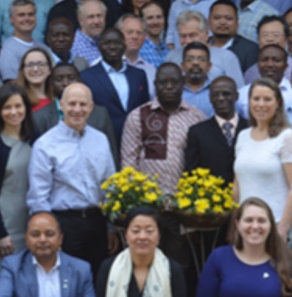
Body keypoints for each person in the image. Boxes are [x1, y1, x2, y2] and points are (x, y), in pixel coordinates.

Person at [28, 83, 117, 271]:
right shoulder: (45, 144)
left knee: (97, 279)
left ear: (91, 107)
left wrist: (111, 228)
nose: (77, 110)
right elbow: (38, 196)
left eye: (83, 105)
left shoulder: (100, 139)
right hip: (65, 225)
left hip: (97, 223)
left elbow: (110, 186)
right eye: (72, 104)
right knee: (68, 283)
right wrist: (51, 234)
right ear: (61, 105)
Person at [235, 80, 292, 243]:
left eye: (267, 99)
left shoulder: (288, 137)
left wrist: (282, 230)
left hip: (276, 224)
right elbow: (238, 183)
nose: (261, 104)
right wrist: (236, 222)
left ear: (278, 103)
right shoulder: (243, 136)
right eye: (256, 99)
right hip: (248, 227)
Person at [120, 63, 207, 193]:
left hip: (185, 201)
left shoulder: (197, 117)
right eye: (163, 82)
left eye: (175, 82)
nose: (169, 87)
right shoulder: (137, 116)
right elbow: (129, 163)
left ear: (183, 83)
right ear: (155, 85)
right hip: (148, 200)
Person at [0, 84, 35, 286]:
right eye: (7, 107)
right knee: (1, 283)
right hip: (4, 227)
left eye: (18, 106)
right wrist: (0, 232)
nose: (14, 112)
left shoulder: (34, 139)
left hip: (31, 225)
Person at [183, 77, 241, 184]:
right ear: (210, 98)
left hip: (247, 197)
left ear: (236, 96)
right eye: (215, 95)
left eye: (226, 94)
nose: (221, 98)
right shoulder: (198, 132)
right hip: (211, 198)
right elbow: (191, 174)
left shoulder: (251, 128)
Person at [0, 0, 49, 81]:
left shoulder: (43, 47)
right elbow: (11, 85)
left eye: (30, 14)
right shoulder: (8, 50)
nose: (27, 19)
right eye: (21, 15)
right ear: (11, 19)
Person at [210, 0, 262, 71]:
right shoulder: (202, 44)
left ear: (237, 22)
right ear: (208, 21)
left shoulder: (250, 50)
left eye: (228, 18)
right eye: (217, 18)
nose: (222, 22)